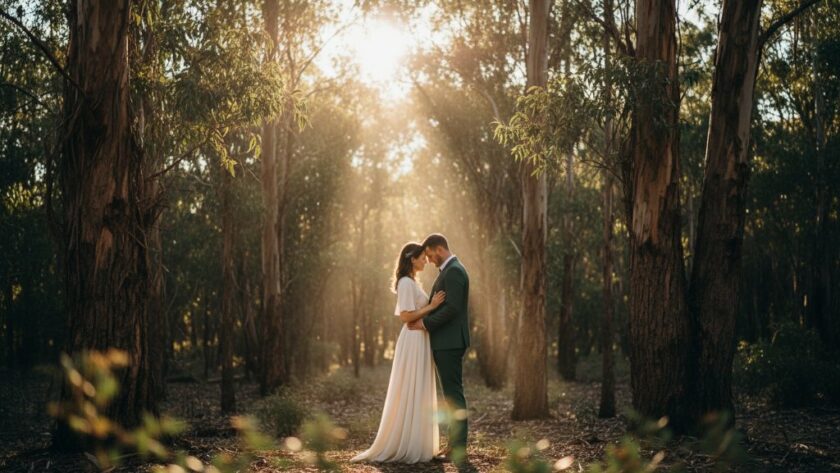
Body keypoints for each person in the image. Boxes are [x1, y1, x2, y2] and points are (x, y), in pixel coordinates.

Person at [350, 242, 444, 463]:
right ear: (412, 259)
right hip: (412, 339)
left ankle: (419, 442)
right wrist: (431, 306)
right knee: (410, 386)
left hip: (420, 338)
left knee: (418, 388)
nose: (425, 261)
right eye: (422, 257)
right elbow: (405, 316)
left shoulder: (411, 282)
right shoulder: (404, 283)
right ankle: (406, 443)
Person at [408, 233, 470, 464]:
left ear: (439, 249)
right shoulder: (450, 270)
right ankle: (454, 444)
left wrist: (424, 323)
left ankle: (458, 448)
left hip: (450, 342)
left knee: (453, 395)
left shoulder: (453, 271)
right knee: (451, 395)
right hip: (447, 341)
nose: (429, 259)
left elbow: (452, 308)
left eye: (430, 254)